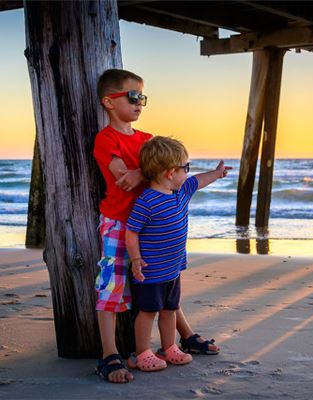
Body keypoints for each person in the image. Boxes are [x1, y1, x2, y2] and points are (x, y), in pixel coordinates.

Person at [93, 69, 219, 383]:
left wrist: (144, 173)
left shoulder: (147, 139)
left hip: (152, 227)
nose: (139, 104)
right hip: (120, 223)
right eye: (132, 97)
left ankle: (184, 336)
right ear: (109, 102)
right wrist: (139, 172)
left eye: (142, 98)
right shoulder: (106, 138)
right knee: (111, 286)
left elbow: (166, 172)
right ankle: (109, 354)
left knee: (163, 281)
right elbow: (124, 178)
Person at [124, 136, 230, 371]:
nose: (188, 173)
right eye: (186, 168)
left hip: (172, 269)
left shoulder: (180, 192)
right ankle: (142, 353)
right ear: (171, 172)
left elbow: (198, 181)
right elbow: (131, 232)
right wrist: (135, 259)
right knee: (148, 311)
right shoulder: (147, 202)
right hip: (151, 272)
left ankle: (169, 347)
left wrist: (217, 173)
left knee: (170, 308)